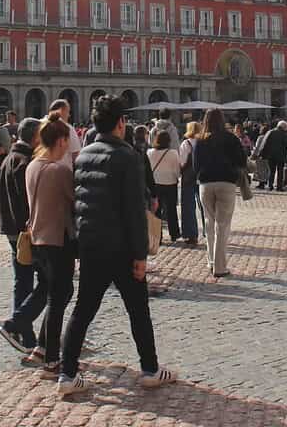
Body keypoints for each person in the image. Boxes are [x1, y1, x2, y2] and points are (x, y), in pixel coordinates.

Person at [57, 95, 174, 397]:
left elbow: (79, 204)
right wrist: (140, 255)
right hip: (122, 248)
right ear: (121, 122)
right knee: (138, 310)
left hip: (92, 245)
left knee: (83, 310)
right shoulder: (128, 156)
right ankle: (150, 370)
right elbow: (135, 211)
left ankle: (67, 374)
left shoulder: (82, 156)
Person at [7, 115, 77, 378]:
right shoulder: (59, 170)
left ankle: (41, 347)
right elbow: (74, 200)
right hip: (58, 239)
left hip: (37, 238)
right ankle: (51, 360)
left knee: (59, 291)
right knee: (58, 298)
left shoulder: (33, 165)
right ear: (60, 141)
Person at [0, 117, 42, 352]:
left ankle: (26, 334)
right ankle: (19, 326)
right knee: (44, 282)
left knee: (22, 280)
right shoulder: (23, 162)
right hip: (24, 231)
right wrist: (31, 227)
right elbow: (26, 202)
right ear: (35, 137)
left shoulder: (11, 158)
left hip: (12, 229)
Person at [193, 109, 246, 277]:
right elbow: (242, 160)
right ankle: (220, 267)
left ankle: (211, 261)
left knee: (209, 223)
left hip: (206, 183)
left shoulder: (200, 140)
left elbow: (195, 166)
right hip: (226, 182)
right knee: (222, 225)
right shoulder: (231, 138)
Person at [148, 129, 183, 242]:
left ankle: (158, 236)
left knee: (157, 210)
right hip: (170, 183)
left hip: (155, 184)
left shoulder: (150, 152)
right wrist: (176, 177)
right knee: (171, 210)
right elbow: (177, 171)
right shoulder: (173, 153)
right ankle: (174, 234)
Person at [178, 121, 201, 245]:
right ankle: (209, 232)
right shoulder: (203, 142)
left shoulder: (186, 143)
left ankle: (191, 234)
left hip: (188, 178)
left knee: (188, 206)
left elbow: (182, 162)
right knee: (205, 207)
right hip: (202, 176)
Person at [259, 120, 287, 191]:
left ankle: (270, 186)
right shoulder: (285, 134)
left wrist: (262, 153)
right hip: (281, 156)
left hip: (271, 155)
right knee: (280, 171)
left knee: (271, 170)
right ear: (284, 127)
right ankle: (279, 187)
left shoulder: (270, 132)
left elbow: (264, 143)